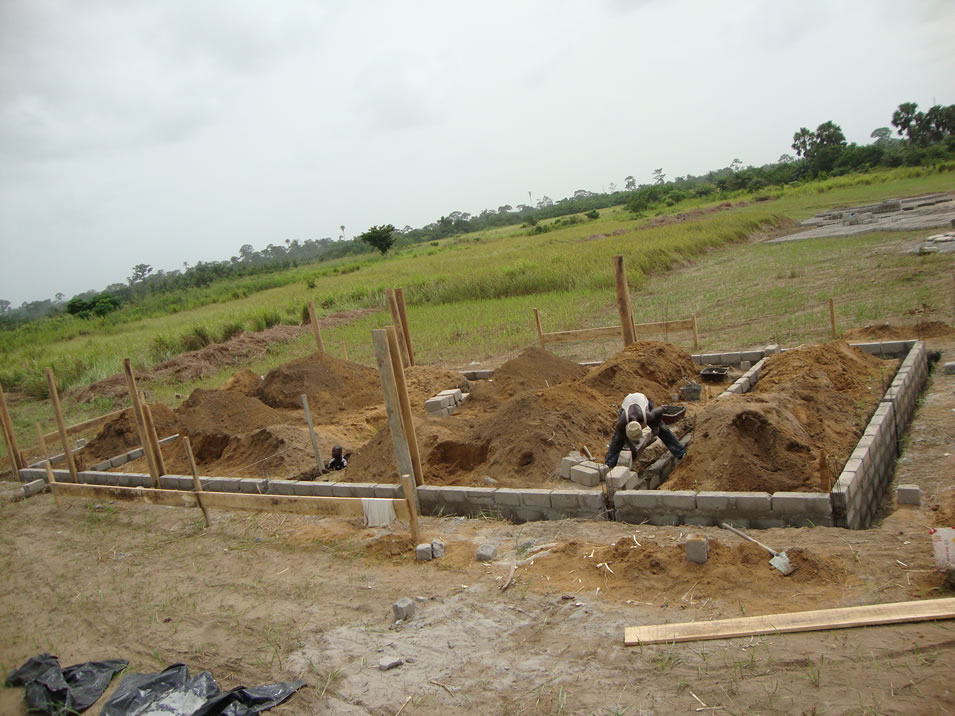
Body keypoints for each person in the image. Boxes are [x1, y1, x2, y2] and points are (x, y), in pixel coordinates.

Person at [604, 392, 686, 468]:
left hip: (643, 400)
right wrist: (631, 446)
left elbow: (661, 409)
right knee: (617, 438)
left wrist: (656, 426)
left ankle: (680, 452)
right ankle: (609, 464)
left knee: (663, 429)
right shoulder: (622, 423)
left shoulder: (649, 416)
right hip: (627, 403)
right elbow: (621, 433)